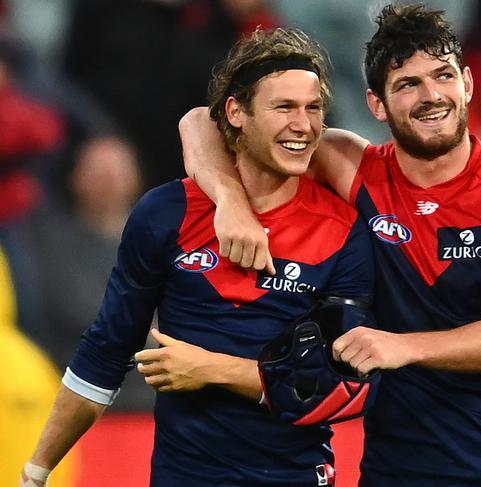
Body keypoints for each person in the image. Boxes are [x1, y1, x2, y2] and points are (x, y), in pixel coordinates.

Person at [179, 4, 481, 486]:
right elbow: (201, 122)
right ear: (376, 104)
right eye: (407, 84)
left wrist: (401, 347)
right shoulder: (356, 168)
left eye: (442, 76)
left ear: (467, 83)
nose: (431, 96)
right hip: (394, 465)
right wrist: (230, 201)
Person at [20, 27, 373, 486]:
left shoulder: (344, 231)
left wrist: (213, 370)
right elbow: (106, 350)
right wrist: (36, 470)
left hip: (294, 476)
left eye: (313, 108)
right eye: (284, 107)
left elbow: (344, 386)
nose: (303, 125)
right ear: (236, 113)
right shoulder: (167, 213)